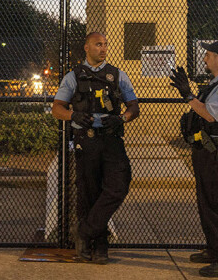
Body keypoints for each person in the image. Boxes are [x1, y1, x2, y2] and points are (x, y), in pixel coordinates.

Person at [52, 32, 139, 264]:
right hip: (86, 140)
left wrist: (123, 118)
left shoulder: (118, 75)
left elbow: (134, 107)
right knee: (88, 192)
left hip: (111, 139)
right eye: (98, 45)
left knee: (118, 186)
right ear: (87, 48)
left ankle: (84, 232)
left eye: (105, 45)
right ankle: (97, 247)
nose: (103, 48)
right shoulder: (73, 77)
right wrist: (74, 115)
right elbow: (57, 108)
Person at [169, 40, 218, 277]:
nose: (204, 59)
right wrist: (191, 93)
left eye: (208, 55)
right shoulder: (217, 84)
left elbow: (210, 115)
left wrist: (187, 94)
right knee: (207, 204)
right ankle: (215, 250)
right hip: (208, 152)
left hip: (216, 154)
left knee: (217, 205)